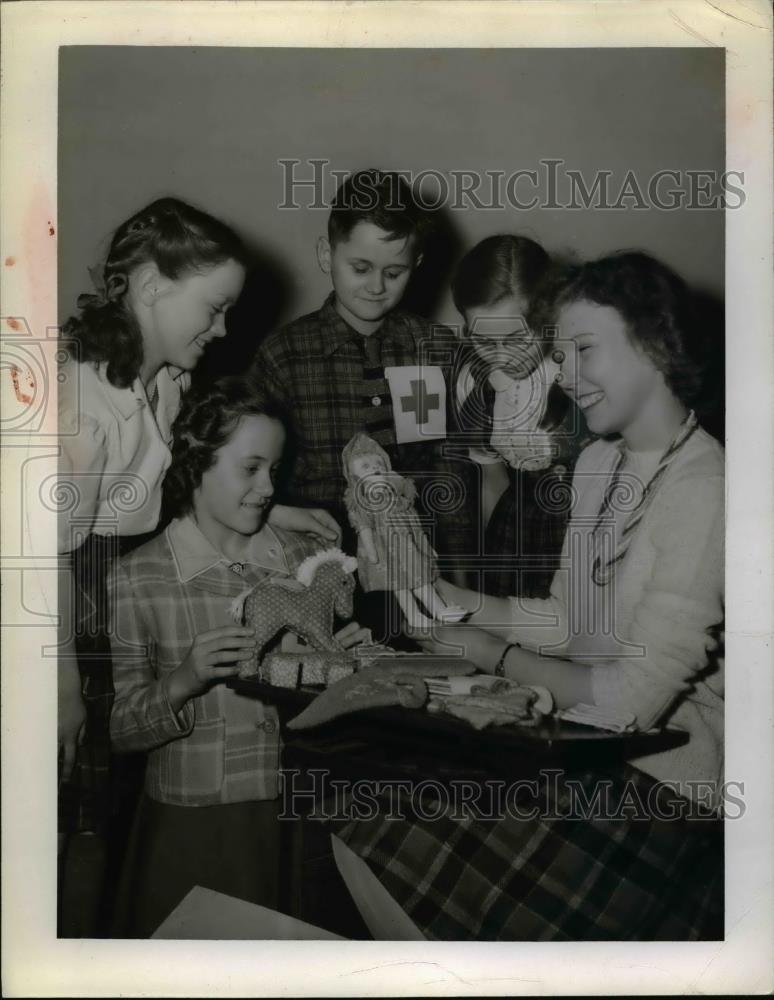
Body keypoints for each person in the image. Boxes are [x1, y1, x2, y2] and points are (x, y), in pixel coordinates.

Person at [333, 251, 725, 941]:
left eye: (582, 352)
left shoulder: (708, 489)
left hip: (666, 790)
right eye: (560, 354)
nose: (566, 377)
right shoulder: (601, 462)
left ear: (653, 342)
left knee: (396, 839)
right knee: (363, 825)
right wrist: (447, 598)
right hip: (586, 754)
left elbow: (630, 702)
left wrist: (490, 651)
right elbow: (568, 621)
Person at [57, 197, 341, 934]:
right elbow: (33, 548)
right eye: (213, 309)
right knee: (64, 846)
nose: (222, 330)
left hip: (92, 593)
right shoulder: (80, 400)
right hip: (50, 605)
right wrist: (61, 686)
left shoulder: (161, 384)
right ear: (150, 287)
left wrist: (267, 508)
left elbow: (176, 479)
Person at [108, 377, 369, 937]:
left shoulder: (304, 559)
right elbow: (120, 728)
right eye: (250, 469)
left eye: (274, 470)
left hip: (301, 816)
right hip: (194, 827)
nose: (267, 487)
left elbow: (335, 707)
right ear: (196, 463)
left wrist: (343, 669)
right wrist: (183, 680)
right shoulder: (138, 577)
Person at [251, 169, 475, 633]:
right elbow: (248, 475)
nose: (376, 286)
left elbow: (446, 470)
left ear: (417, 265)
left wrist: (461, 581)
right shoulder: (283, 356)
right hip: (316, 579)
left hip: (416, 574)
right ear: (325, 255)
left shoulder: (429, 349)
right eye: (361, 268)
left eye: (394, 272)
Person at [451, 234, 590, 598]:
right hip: (511, 532)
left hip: (581, 531)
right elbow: (491, 481)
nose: (501, 358)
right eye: (483, 343)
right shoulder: (475, 386)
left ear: (548, 316)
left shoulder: (580, 375)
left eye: (516, 339)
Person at [342, 432, 466, 627]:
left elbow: (415, 525)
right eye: (366, 466)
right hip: (385, 553)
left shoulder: (399, 499)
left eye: (379, 463)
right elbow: (364, 527)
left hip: (409, 550)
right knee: (399, 587)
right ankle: (415, 616)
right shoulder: (363, 502)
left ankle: (439, 610)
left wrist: (426, 546)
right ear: (355, 476)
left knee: (421, 580)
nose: (375, 467)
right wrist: (372, 554)